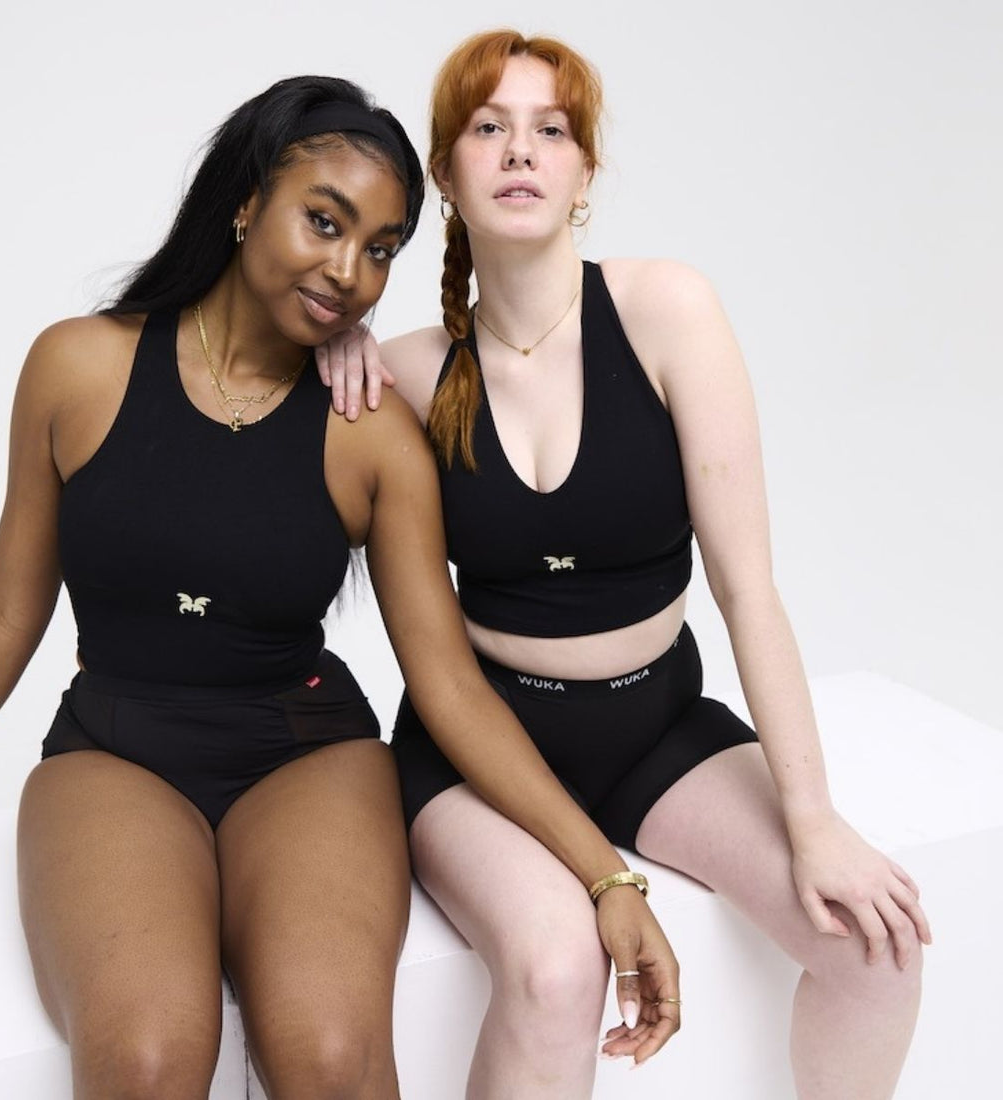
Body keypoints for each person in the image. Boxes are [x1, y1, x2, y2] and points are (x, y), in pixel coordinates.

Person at [0, 73, 683, 1100]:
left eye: (379, 248)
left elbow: (448, 687)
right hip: (116, 752)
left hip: (306, 759)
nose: (348, 270)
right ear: (243, 202)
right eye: (324, 221)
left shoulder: (370, 434)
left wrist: (606, 875)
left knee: (327, 1061)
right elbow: (8, 607)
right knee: (144, 1062)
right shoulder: (77, 369)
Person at [318, 30, 932, 1100]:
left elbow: (747, 589)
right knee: (559, 969)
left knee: (875, 947)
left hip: (654, 727)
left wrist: (811, 817)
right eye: (488, 129)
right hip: (480, 756)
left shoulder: (666, 312)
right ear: (447, 177)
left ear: (584, 172)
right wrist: (330, 343)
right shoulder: (412, 371)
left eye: (549, 131)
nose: (520, 152)